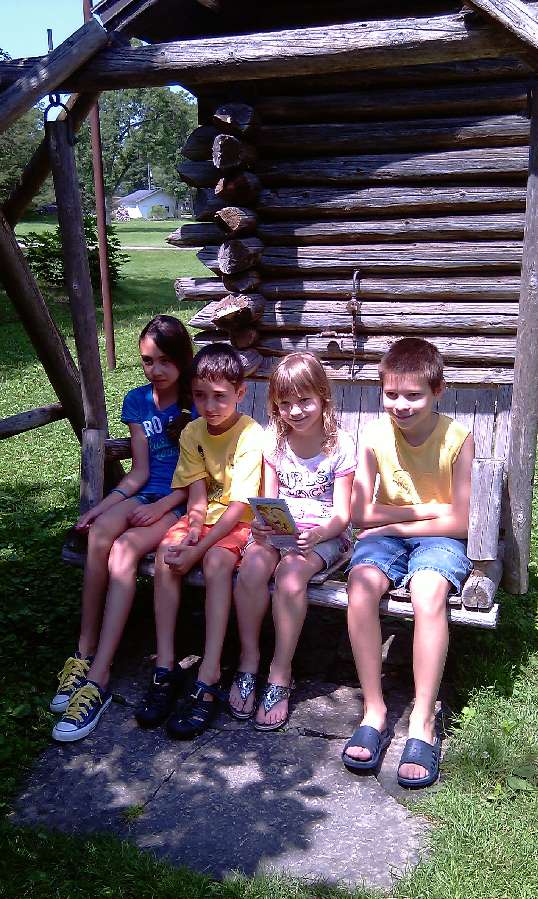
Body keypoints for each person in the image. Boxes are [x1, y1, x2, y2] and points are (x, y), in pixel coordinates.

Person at [51, 315, 196, 742]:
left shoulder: (196, 402)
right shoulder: (137, 402)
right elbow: (139, 473)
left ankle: (99, 676)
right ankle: (84, 650)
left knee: (124, 549)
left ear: (182, 359)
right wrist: (101, 507)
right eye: (148, 361)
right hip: (147, 494)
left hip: (181, 502)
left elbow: (203, 476)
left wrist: (164, 506)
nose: (156, 370)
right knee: (99, 533)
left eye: (165, 360)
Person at [343, 337, 474, 788]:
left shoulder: (457, 439)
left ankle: (423, 719)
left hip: (438, 539)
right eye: (391, 394)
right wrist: (423, 511)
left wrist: (395, 524)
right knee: (361, 586)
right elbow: (359, 514)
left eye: (413, 395)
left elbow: (461, 521)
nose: (401, 405)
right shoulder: (374, 436)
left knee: (427, 590)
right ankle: (374, 710)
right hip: (392, 533)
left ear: (438, 391)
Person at [135, 343, 264, 738]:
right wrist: (191, 532)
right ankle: (165, 667)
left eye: (220, 396)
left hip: (237, 523)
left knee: (217, 564)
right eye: (200, 396)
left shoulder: (250, 434)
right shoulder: (192, 431)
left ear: (240, 393)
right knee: (166, 555)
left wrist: (201, 548)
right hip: (203, 519)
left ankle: (209, 674)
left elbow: (239, 507)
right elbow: (196, 493)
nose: (209, 406)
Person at [230, 352, 356, 731]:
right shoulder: (275, 441)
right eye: (285, 403)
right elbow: (269, 499)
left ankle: (280, 671)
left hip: (324, 535)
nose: (295, 411)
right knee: (252, 567)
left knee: (289, 576)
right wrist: (260, 528)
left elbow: (342, 515)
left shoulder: (340, 445)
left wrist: (318, 534)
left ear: (323, 398)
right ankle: (248, 660)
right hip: (282, 529)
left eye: (304, 401)